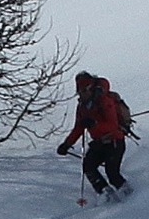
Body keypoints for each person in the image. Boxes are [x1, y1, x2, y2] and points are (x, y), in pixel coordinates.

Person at [56, 71, 133, 201]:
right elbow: (78, 128)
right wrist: (67, 144)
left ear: (90, 88)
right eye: (79, 92)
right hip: (99, 143)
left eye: (83, 91)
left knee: (112, 174)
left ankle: (131, 197)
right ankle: (106, 194)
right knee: (88, 166)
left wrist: (94, 124)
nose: (81, 94)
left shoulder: (104, 101)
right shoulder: (82, 106)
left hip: (114, 142)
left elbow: (113, 125)